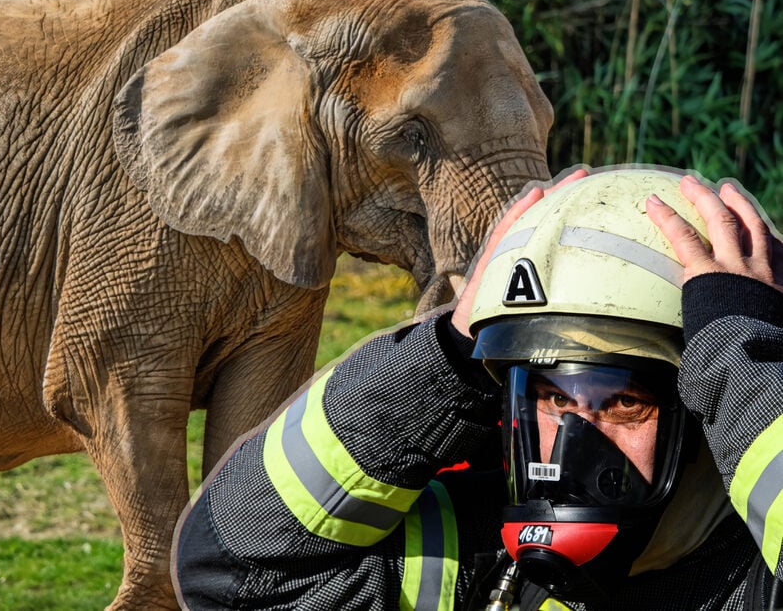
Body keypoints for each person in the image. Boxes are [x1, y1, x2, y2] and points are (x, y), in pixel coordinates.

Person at [173, 165, 783, 610]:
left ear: (709, 408)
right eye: (554, 398)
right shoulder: (472, 556)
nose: (571, 443)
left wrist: (746, 365)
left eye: (625, 403)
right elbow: (231, 569)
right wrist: (443, 363)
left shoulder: (752, 578)